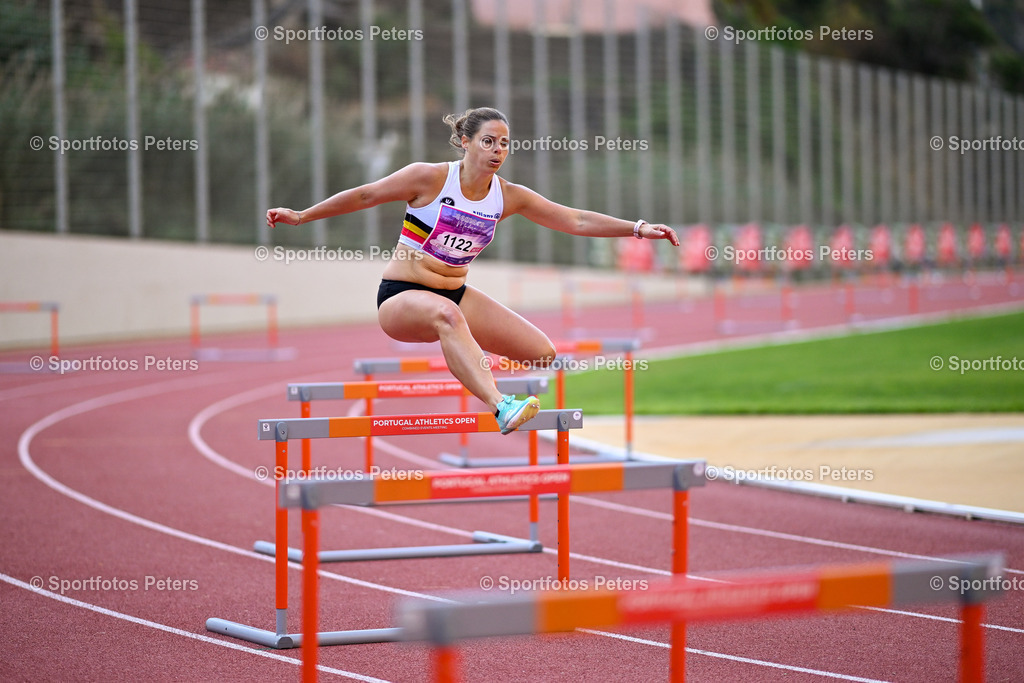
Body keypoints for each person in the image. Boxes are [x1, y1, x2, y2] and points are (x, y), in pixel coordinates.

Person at [267, 107, 679, 434]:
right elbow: (365, 194)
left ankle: (464, 356)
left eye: (504, 144)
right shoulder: (428, 178)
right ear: (465, 142)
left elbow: (576, 221)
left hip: (456, 294)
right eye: (488, 141)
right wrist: (302, 216)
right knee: (448, 316)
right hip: (401, 296)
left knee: (542, 353)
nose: (498, 150)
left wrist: (639, 228)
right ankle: (500, 406)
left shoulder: (508, 197)